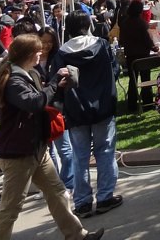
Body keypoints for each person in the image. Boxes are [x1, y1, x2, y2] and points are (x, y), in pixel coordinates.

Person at [0, 34, 105, 240]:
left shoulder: (26, 73)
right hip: (18, 153)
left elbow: (43, 99)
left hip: (35, 148)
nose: (41, 53)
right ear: (29, 54)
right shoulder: (14, 80)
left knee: (57, 192)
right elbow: (34, 102)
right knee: (11, 208)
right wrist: (54, 82)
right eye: (38, 50)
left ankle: (77, 235)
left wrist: (58, 85)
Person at [51, 12, 122, 219]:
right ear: (88, 24)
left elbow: (56, 83)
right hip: (102, 107)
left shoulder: (61, 54)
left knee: (79, 156)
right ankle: (105, 196)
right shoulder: (102, 45)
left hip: (76, 110)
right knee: (105, 151)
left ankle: (82, 202)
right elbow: (115, 69)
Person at [38, 26, 74, 192]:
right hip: (39, 108)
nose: (46, 45)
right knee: (47, 150)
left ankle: (68, 182)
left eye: (50, 42)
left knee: (64, 148)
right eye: (43, 42)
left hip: (57, 107)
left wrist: (55, 86)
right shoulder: (32, 59)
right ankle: (53, 184)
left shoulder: (58, 57)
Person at [119, 0, 159, 113]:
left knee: (133, 80)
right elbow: (147, 40)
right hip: (143, 55)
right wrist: (154, 47)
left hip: (131, 56)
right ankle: (147, 103)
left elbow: (122, 40)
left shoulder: (125, 23)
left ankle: (132, 105)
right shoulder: (141, 23)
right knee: (146, 78)